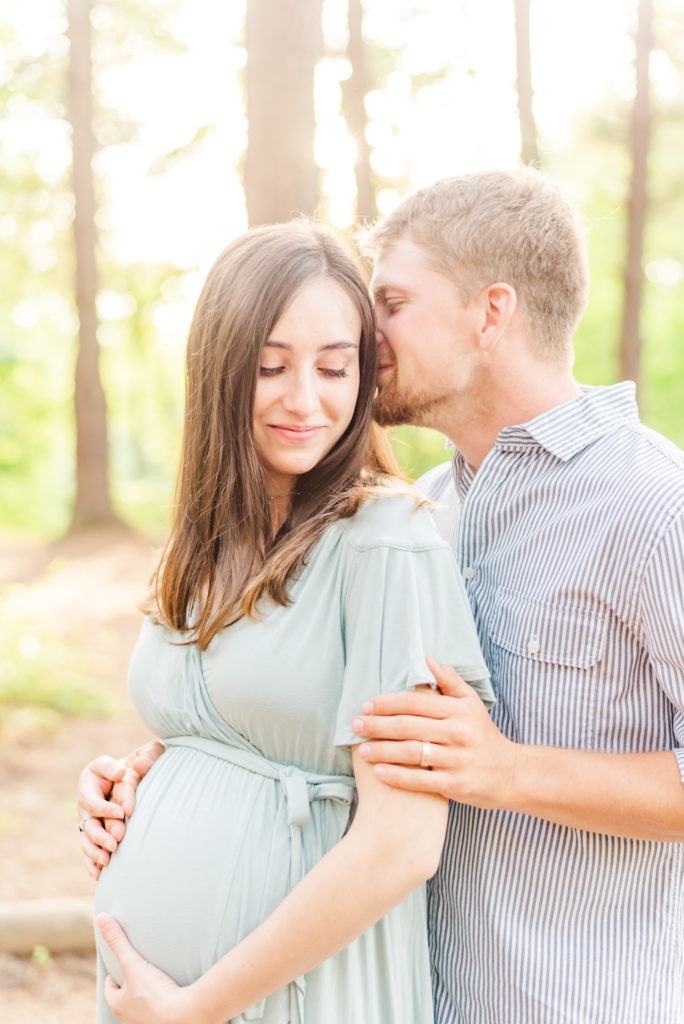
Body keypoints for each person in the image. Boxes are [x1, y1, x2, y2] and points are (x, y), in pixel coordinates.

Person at [79, 169, 684, 1022]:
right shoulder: (442, 503)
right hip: (408, 983)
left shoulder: (653, 505)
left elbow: (410, 829)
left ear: (492, 312)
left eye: (391, 302)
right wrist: (171, 773)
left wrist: (507, 769)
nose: (369, 333)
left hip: (567, 997)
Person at [80, 218, 493, 1024]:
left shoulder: (384, 545)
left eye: (336, 367)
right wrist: (131, 782)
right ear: (220, 369)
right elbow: (226, 728)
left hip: (298, 997)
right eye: (271, 366)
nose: (306, 399)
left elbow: (402, 845)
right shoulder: (201, 541)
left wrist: (199, 1005)